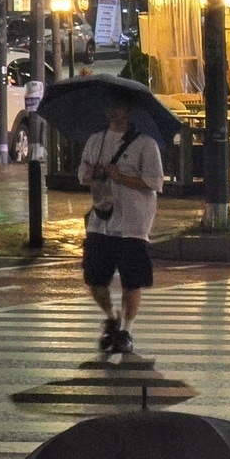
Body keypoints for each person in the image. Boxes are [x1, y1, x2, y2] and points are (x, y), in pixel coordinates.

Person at [78, 93, 164, 354]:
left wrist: (120, 176)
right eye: (110, 106)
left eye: (119, 107)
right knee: (94, 278)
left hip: (133, 222)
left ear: (129, 110)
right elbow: (82, 174)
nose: (114, 112)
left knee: (132, 280)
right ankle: (111, 317)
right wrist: (91, 174)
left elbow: (154, 183)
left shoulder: (146, 145)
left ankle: (126, 329)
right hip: (101, 218)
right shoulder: (95, 140)